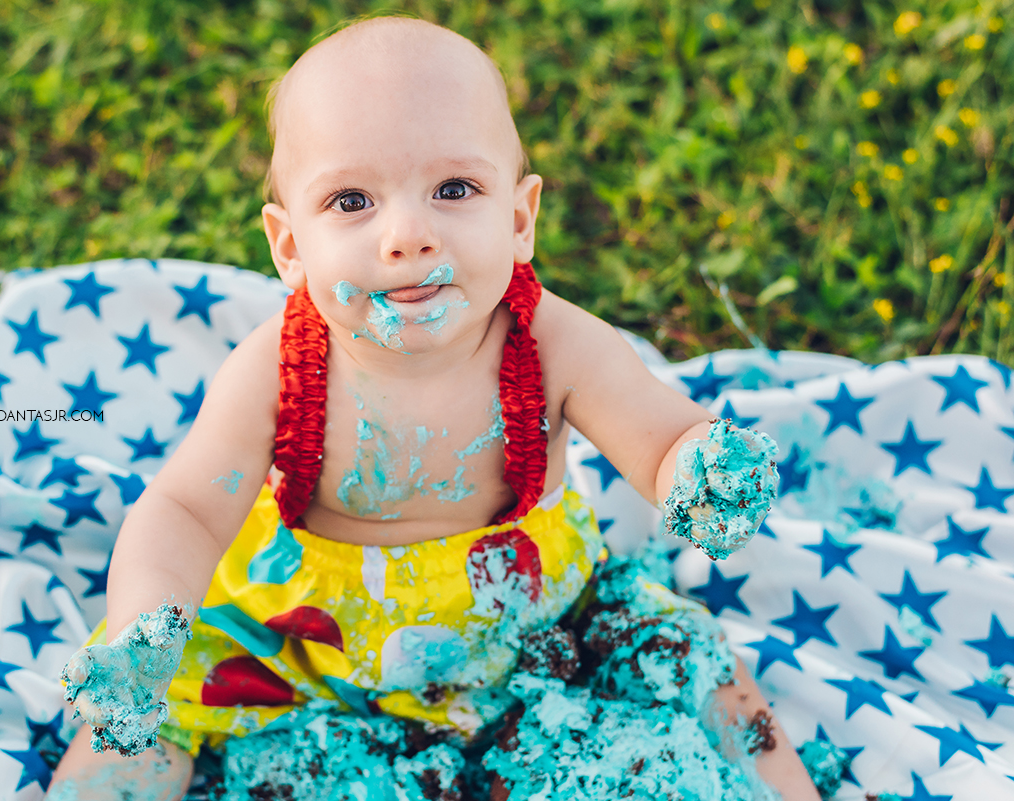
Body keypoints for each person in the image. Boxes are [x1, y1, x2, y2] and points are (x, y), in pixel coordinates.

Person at [46, 14, 819, 800]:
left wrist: (699, 470)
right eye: (352, 200)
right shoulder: (278, 367)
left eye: (454, 189)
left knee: (692, 655)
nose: (408, 235)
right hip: (306, 641)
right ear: (289, 247)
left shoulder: (553, 343)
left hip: (526, 630)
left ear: (518, 220)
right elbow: (185, 507)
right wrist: (143, 629)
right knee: (149, 719)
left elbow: (659, 439)